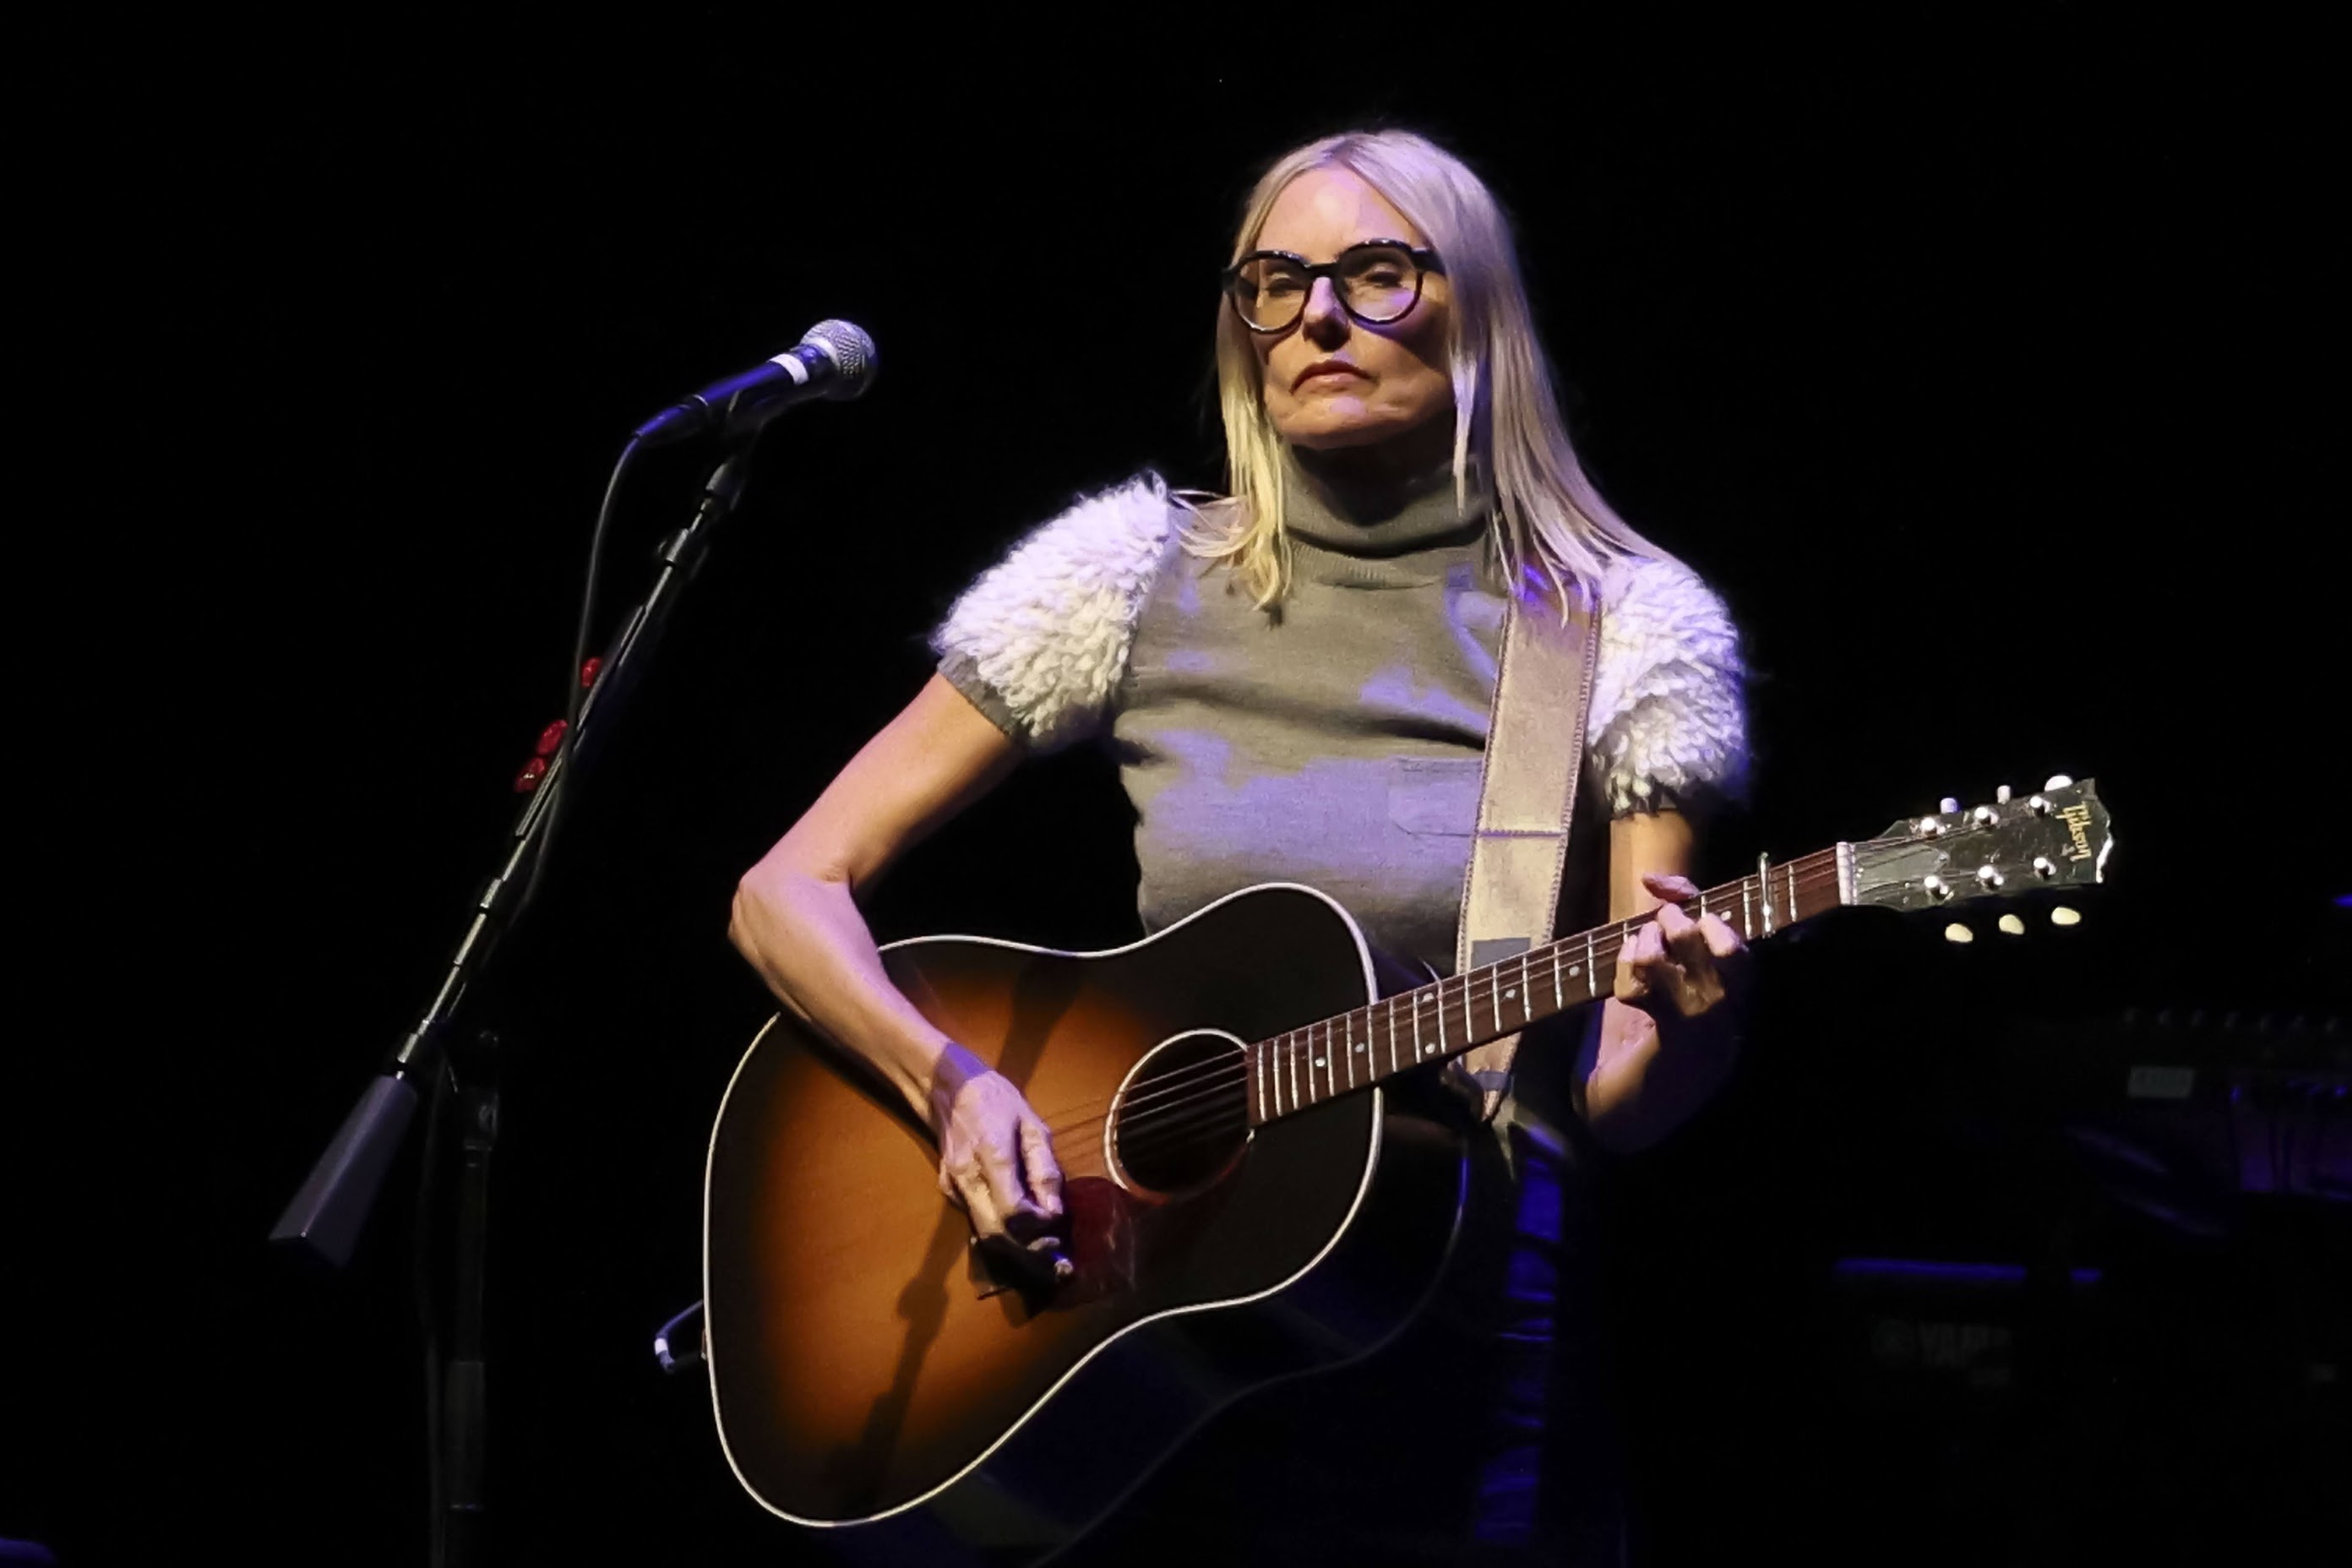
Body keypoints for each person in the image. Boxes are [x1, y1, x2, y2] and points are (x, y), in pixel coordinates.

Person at [727, 128, 1750, 1565]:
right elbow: (788, 890)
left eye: (1376, 273)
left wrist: (1693, 1026)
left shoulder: (1618, 629)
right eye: (1275, 282)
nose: (1318, 315)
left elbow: (1624, 1096)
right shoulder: (1128, 578)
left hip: (1457, 1332)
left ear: (1481, 311)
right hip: (1144, 1331)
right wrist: (950, 1087)